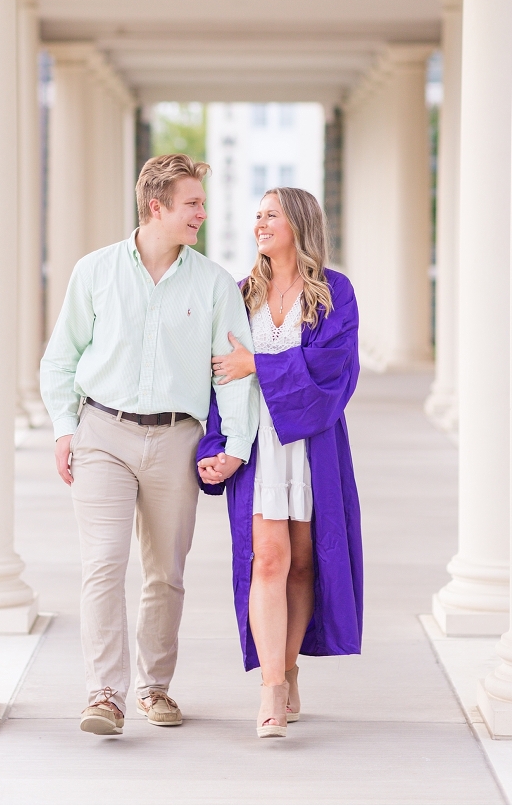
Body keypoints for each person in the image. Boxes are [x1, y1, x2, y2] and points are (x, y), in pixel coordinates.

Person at [40, 154, 258, 736]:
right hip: (102, 434)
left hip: (177, 440)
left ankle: (154, 686)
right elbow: (61, 359)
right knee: (104, 565)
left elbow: (231, 371)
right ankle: (105, 693)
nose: (202, 215)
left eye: (202, 204)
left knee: (166, 573)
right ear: (156, 207)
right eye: (192, 204)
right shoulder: (94, 272)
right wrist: (66, 428)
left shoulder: (212, 283)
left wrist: (236, 443)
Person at [197, 187, 362, 738]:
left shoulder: (334, 293)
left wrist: (257, 364)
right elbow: (218, 376)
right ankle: (271, 687)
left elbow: (333, 371)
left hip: (311, 444)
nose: (260, 224)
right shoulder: (242, 294)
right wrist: (215, 445)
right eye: (257, 216)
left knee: (302, 563)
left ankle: (289, 666)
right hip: (259, 443)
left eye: (271, 215)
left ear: (299, 223)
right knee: (268, 559)